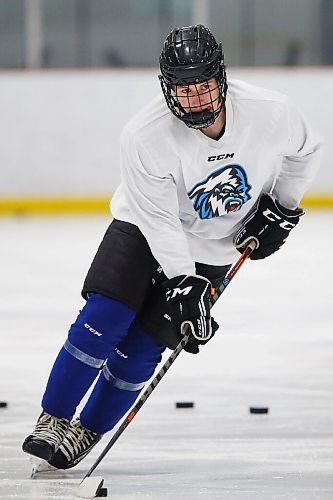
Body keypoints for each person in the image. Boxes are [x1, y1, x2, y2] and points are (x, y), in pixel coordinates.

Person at [22, 24, 323, 470]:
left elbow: (308, 150)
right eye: (184, 90)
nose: (197, 99)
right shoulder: (144, 135)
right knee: (107, 315)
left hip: (217, 247)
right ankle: (54, 417)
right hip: (143, 228)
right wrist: (184, 280)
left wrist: (283, 204)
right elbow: (159, 221)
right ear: (168, 90)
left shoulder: (271, 112)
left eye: (204, 85)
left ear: (221, 78)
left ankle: (88, 428)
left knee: (145, 345)